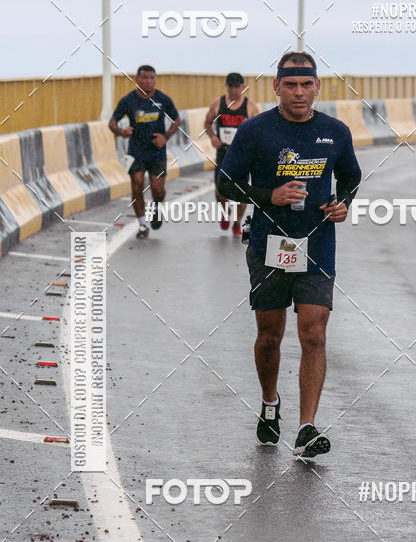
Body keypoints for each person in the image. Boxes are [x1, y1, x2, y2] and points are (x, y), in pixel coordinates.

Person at [217, 52, 362, 458]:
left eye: (306, 85)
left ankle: (306, 427)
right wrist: (269, 196)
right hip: (269, 246)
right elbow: (226, 182)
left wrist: (342, 202)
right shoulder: (255, 130)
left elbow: (351, 175)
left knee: (314, 332)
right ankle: (269, 402)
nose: (299, 93)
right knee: (269, 335)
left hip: (317, 245)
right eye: (291, 85)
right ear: (276, 87)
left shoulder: (335, 132)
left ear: (317, 87)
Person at [109, 65, 181, 239]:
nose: (148, 81)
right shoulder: (128, 100)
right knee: (137, 184)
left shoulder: (162, 99)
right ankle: (142, 224)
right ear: (137, 79)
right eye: (145, 78)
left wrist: (165, 137)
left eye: (152, 78)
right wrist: (121, 132)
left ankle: (157, 207)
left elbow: (177, 120)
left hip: (157, 152)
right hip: (136, 151)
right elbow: (112, 122)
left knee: (157, 188)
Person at [204, 73, 260, 236]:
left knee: (241, 191)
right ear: (226, 86)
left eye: (237, 86)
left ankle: (237, 221)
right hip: (223, 154)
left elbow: (257, 130)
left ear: (242, 87)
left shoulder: (250, 106)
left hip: (243, 156)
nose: (234, 90)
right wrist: (213, 136)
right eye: (231, 86)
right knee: (220, 191)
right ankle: (225, 213)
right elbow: (207, 123)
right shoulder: (218, 104)